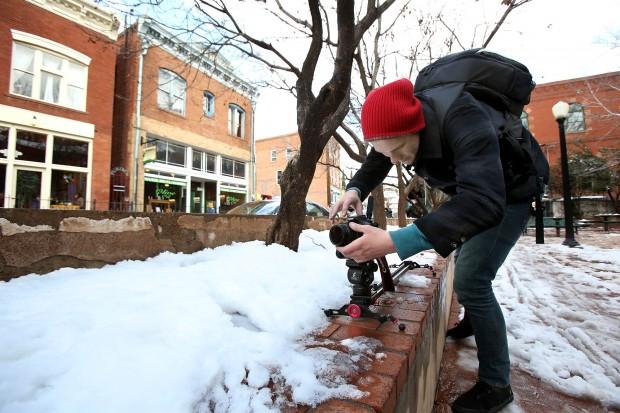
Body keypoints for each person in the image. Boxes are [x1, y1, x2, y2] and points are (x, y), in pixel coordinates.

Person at [329, 78, 548, 413]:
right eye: (390, 153)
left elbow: (484, 202)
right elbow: (380, 155)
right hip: (475, 192)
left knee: (472, 280)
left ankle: (496, 383)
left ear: (417, 124)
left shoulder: (464, 119)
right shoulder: (400, 131)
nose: (398, 161)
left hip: (508, 193)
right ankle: (475, 318)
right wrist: (355, 188)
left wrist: (395, 241)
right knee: (464, 255)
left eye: (401, 150)